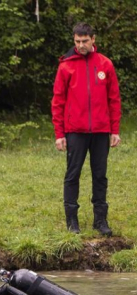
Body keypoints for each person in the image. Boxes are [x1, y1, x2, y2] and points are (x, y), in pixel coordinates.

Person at [51, 22, 121, 236]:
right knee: (73, 174)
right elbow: (58, 101)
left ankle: (100, 220)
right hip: (75, 131)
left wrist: (115, 130)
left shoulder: (105, 64)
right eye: (77, 41)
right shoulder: (66, 66)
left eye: (84, 41)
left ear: (93, 40)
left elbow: (114, 99)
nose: (80, 45)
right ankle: (72, 222)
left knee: (100, 175)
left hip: (100, 130)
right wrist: (59, 134)